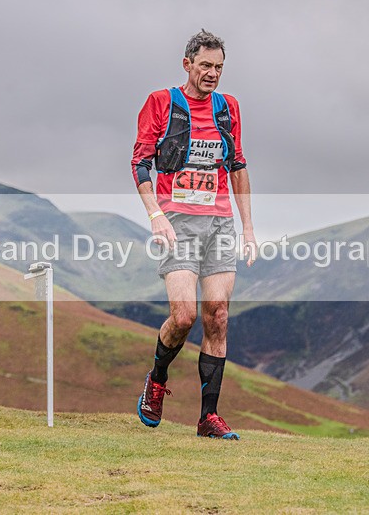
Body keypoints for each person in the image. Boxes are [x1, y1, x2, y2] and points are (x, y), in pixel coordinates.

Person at [131, 29, 256, 439]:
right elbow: (140, 163)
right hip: (177, 222)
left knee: (217, 316)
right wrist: (155, 214)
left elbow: (237, 165)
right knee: (184, 315)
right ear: (187, 64)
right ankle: (157, 379)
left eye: (218, 67)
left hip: (219, 223)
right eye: (205, 65)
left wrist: (248, 228)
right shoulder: (161, 102)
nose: (212, 74)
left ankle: (209, 418)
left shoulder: (228, 107)